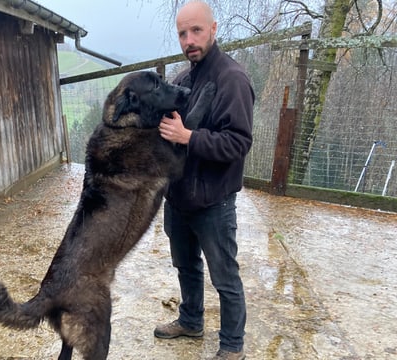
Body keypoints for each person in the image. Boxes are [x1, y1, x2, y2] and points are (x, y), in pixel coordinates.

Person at [155, 1, 254, 360]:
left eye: (196, 30)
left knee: (225, 277)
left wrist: (189, 137)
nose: (189, 40)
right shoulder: (184, 78)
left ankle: (231, 346)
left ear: (213, 29)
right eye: (182, 33)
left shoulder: (232, 79)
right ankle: (191, 320)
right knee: (186, 265)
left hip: (214, 201)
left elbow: (239, 142)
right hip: (179, 197)